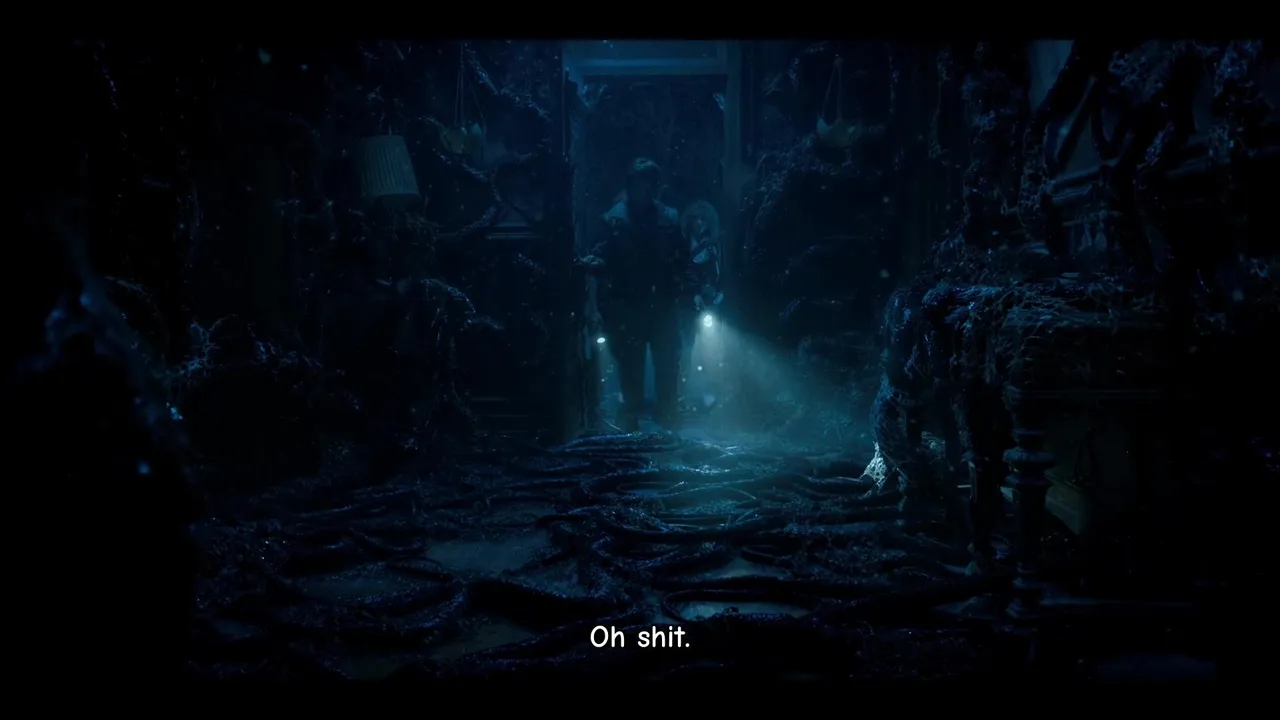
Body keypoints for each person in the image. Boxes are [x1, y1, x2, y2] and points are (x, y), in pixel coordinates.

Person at [583, 158, 692, 431]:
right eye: (636, 182)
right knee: (631, 372)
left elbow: (682, 257)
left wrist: (681, 286)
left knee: (667, 369)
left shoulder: (668, 218)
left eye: (646, 183)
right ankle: (630, 427)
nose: (641, 189)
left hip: (662, 306)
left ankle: (668, 424)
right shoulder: (615, 219)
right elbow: (601, 256)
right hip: (629, 307)